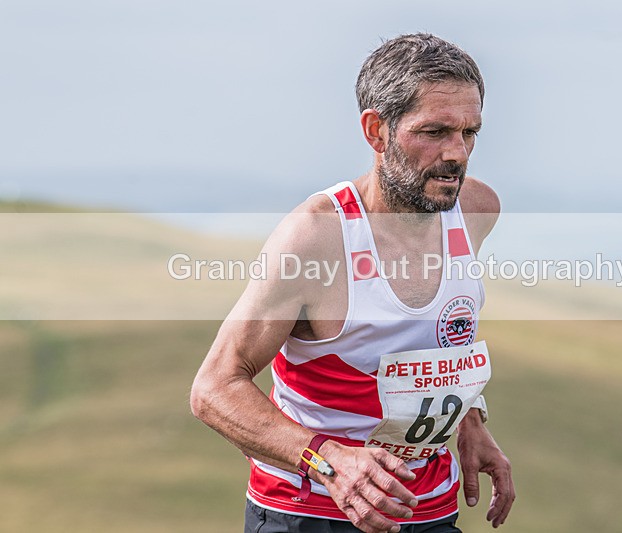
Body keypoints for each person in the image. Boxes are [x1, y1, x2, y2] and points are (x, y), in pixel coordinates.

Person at [190, 33, 515, 533]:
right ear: (376, 130)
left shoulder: (475, 210)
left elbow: (437, 335)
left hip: (430, 509)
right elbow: (214, 388)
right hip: (313, 512)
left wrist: (471, 418)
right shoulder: (318, 234)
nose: (457, 153)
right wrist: (330, 461)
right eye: (435, 131)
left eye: (470, 132)